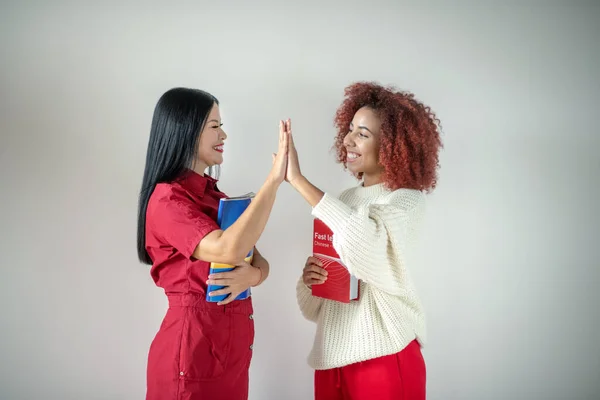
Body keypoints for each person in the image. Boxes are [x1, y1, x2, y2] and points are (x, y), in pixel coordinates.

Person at [285, 82, 442, 399]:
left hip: (384, 356)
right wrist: (311, 279)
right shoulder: (344, 199)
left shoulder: (406, 203)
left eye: (363, 134)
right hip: (331, 361)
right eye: (350, 129)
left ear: (391, 147)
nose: (348, 140)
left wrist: (298, 181)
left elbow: (364, 245)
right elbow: (315, 308)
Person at [136, 87, 289, 400]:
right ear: (186, 131)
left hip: (227, 358)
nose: (225, 136)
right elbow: (227, 249)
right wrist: (272, 183)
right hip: (190, 360)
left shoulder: (215, 197)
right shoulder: (168, 200)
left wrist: (254, 276)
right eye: (215, 126)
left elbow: (256, 259)